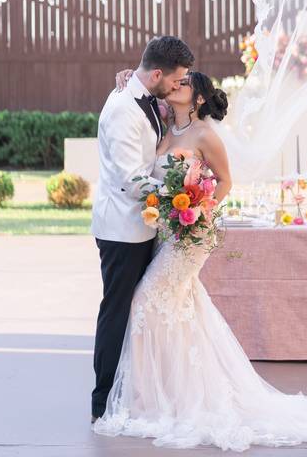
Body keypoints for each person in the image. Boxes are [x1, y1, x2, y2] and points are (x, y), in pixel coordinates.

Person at [93, 69, 307, 452]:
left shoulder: (205, 135)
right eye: (176, 82)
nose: (176, 86)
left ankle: (153, 398)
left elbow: (224, 181)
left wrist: (201, 209)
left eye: (184, 84)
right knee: (180, 308)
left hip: (191, 234)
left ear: (200, 99)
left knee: (146, 300)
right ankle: (169, 395)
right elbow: (145, 82)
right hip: (165, 232)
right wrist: (124, 76)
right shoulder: (160, 120)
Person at [90, 36, 194, 423]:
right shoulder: (122, 109)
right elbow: (130, 180)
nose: (177, 86)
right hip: (121, 229)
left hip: (143, 226)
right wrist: (181, 192)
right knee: (116, 311)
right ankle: (102, 403)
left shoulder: (151, 99)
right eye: (175, 79)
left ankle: (129, 392)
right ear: (155, 74)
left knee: (136, 312)